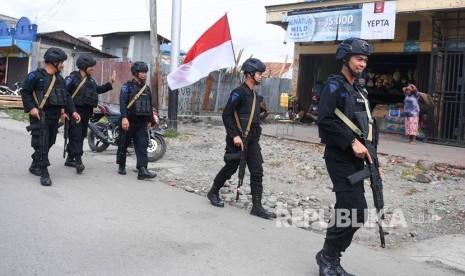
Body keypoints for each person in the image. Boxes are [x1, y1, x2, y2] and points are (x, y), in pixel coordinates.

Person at [316, 38, 376, 276]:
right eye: (358, 59)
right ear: (345, 58)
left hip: (358, 161)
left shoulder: (360, 91)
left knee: (351, 211)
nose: (362, 64)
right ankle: (327, 258)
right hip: (338, 157)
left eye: (365, 60)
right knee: (354, 210)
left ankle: (330, 257)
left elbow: (368, 129)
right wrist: (351, 142)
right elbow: (325, 121)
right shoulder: (333, 86)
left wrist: (375, 162)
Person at [206, 57, 276, 219]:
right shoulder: (239, 93)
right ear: (250, 74)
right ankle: (213, 192)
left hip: (252, 141)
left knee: (257, 172)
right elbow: (227, 114)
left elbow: (253, 118)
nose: (261, 76)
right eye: (259, 73)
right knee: (230, 168)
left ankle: (257, 207)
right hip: (237, 140)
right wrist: (235, 135)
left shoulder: (255, 96)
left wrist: (263, 111)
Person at [21, 47, 81, 186]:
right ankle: (44, 172)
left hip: (53, 116)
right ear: (54, 62)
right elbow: (25, 92)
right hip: (40, 115)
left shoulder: (59, 79)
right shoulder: (34, 76)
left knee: (50, 141)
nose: (62, 65)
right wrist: (32, 108)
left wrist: (72, 111)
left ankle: (35, 164)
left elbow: (66, 97)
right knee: (41, 142)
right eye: (61, 62)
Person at [63, 54, 116, 173]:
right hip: (75, 112)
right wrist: (67, 111)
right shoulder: (71, 79)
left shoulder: (90, 80)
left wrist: (110, 83)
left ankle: (70, 158)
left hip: (86, 113)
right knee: (76, 136)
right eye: (91, 66)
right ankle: (78, 161)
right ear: (84, 66)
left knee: (80, 135)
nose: (93, 68)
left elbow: (98, 90)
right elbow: (65, 95)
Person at [116, 61, 157, 180]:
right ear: (135, 73)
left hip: (142, 122)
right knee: (123, 143)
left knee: (142, 145)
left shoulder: (147, 88)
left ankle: (142, 169)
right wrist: (124, 118)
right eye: (142, 72)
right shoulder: (127, 86)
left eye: (145, 72)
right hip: (129, 120)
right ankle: (121, 165)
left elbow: (149, 105)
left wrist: (149, 121)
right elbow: (123, 103)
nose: (144, 74)